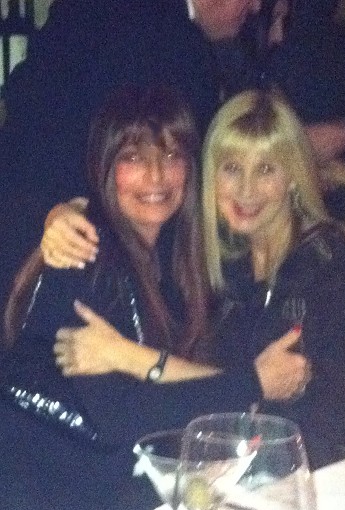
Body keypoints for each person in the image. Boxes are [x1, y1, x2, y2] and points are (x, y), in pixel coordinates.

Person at [0, 84, 309, 510]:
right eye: (134, 159)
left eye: (171, 156)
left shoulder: (172, 259)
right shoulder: (86, 251)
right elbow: (123, 417)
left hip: (98, 501)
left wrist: (137, 358)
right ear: (104, 168)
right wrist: (250, 384)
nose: (157, 176)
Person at [40, 90, 345, 471]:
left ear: (293, 177)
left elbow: (271, 394)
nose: (246, 190)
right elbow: (238, 384)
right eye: (231, 168)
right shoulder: (224, 264)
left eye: (266, 169)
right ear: (209, 176)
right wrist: (64, 211)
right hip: (262, 472)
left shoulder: (324, 258)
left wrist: (126, 356)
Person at [0, 0, 264, 342]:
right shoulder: (110, 15)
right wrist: (52, 211)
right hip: (73, 242)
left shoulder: (189, 44)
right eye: (135, 157)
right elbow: (29, 114)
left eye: (171, 154)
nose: (256, 6)